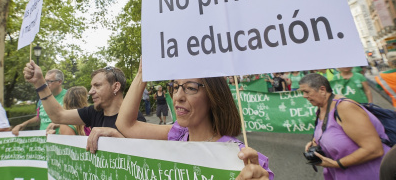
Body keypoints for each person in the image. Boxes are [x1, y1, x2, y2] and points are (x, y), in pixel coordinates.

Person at [115, 61, 274, 180]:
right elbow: (125, 125)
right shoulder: (178, 134)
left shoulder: (242, 159)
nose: (178, 97)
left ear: (213, 96)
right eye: (175, 87)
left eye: (190, 88)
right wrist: (143, 72)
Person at [23, 61, 146, 146]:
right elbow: (58, 115)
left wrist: (114, 134)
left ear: (116, 87)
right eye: (91, 86)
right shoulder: (93, 112)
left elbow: (143, 156)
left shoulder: (135, 118)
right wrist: (39, 83)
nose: (91, 92)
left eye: (97, 86)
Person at [300, 73, 390, 179]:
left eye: (306, 92)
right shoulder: (321, 108)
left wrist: (338, 164)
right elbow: (331, 132)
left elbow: (374, 149)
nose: (304, 96)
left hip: (370, 174)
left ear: (322, 90)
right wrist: (316, 142)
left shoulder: (345, 108)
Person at [12, 69, 67, 135]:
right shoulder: (42, 98)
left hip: (62, 139)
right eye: (45, 81)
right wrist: (23, 125)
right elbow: (38, 118)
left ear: (60, 82)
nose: (46, 84)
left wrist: (58, 123)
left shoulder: (69, 96)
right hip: (44, 139)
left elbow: (76, 119)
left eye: (50, 81)